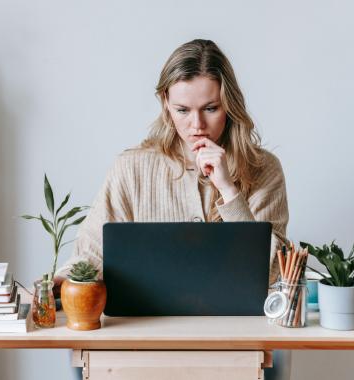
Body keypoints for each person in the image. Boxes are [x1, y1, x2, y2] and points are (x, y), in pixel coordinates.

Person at [54, 39, 290, 380]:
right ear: (165, 103)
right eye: (182, 110)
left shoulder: (264, 169)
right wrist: (58, 283)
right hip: (143, 336)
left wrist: (228, 190)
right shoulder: (131, 167)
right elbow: (92, 253)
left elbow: (276, 274)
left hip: (236, 340)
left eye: (210, 108)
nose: (197, 125)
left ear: (230, 105)